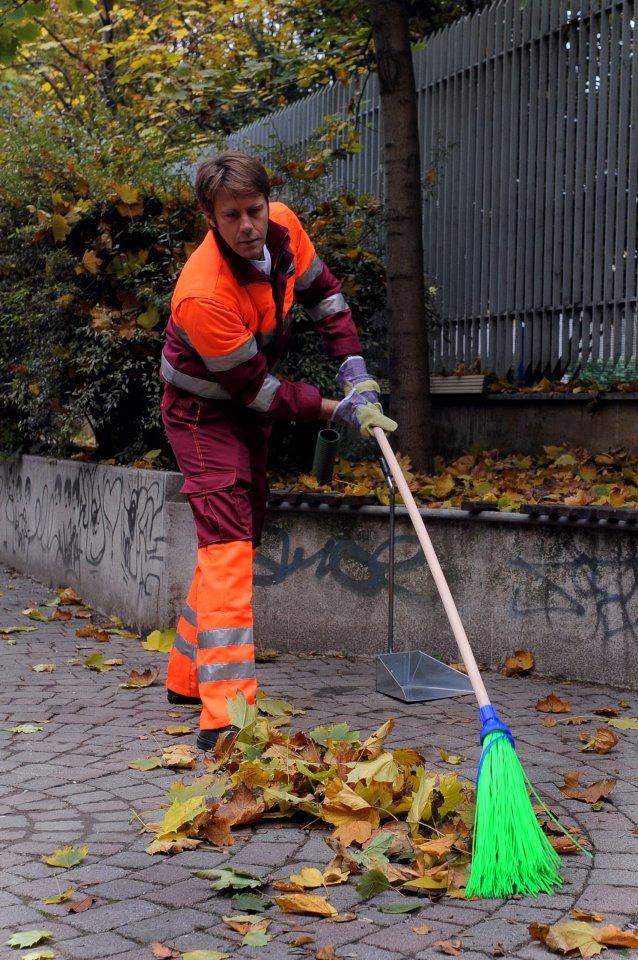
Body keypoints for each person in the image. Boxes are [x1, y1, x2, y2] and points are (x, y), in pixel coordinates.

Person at [160, 150, 397, 749]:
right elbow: (257, 390)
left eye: (255, 211)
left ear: (269, 205)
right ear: (210, 219)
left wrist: (355, 372)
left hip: (247, 405)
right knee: (229, 542)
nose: (247, 226)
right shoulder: (202, 293)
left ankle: (186, 674)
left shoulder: (285, 231)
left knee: (237, 536)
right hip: (202, 413)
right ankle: (226, 716)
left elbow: (327, 298)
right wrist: (336, 409)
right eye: (232, 215)